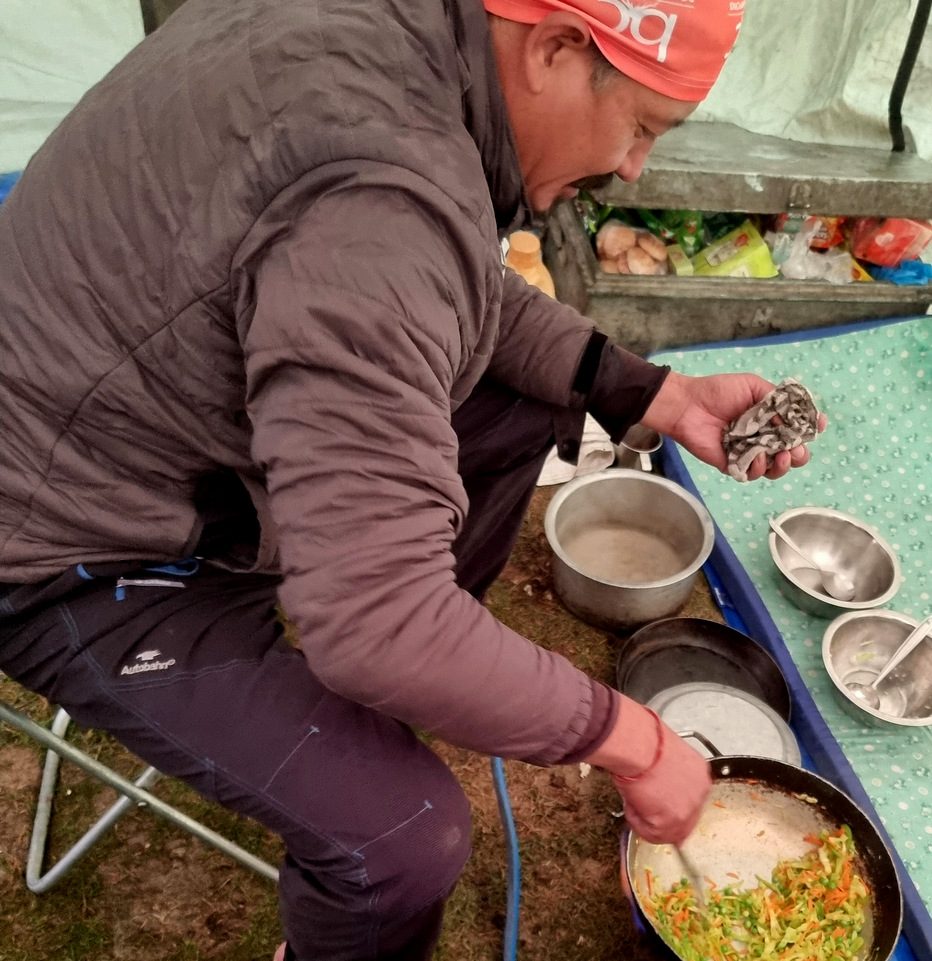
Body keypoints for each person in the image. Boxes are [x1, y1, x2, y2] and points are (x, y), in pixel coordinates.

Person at [0, 0, 820, 958]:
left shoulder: (406, 44)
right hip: (69, 538)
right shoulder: (385, 192)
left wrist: (655, 394)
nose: (634, 166)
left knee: (522, 403)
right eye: (642, 126)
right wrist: (635, 742)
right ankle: (384, 734)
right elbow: (375, 612)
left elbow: (443, 277)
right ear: (556, 49)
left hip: (132, 400)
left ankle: (395, 695)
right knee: (404, 838)